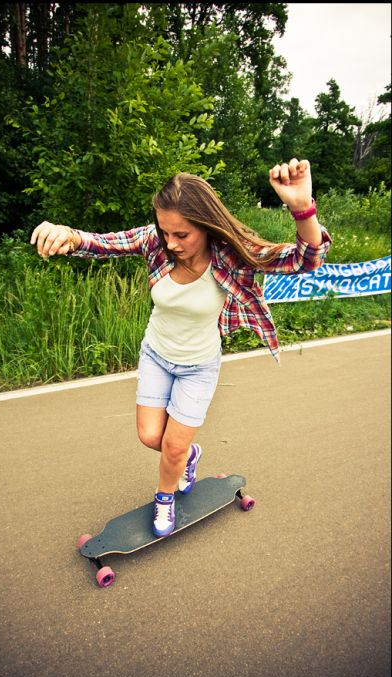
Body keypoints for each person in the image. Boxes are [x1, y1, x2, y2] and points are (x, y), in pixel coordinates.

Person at [30, 158, 331, 537]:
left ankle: (165, 498)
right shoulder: (156, 242)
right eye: (164, 231)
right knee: (150, 437)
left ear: (206, 227)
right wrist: (67, 235)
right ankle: (189, 457)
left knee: (171, 447)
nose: (170, 243)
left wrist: (303, 208)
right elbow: (100, 243)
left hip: (198, 366)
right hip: (156, 354)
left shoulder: (232, 256)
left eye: (182, 235)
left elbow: (307, 260)